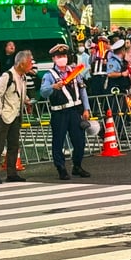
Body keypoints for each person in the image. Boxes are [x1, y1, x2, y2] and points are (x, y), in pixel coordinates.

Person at [40, 44, 92, 180]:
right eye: (59, 56)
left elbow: (82, 90)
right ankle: (61, 168)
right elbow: (43, 92)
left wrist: (86, 108)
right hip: (59, 112)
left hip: (75, 111)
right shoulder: (49, 75)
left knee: (79, 140)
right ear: (54, 59)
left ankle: (77, 165)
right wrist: (53, 86)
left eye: (64, 56)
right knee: (58, 141)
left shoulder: (74, 72)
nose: (62, 58)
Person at [0, 49, 34, 184]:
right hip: (5, 116)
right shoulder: (7, 76)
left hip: (16, 115)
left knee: (14, 145)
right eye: (29, 63)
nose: (31, 65)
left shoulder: (22, 77)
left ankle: (11, 173)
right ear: (21, 64)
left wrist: (26, 101)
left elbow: (21, 94)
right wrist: (0, 112)